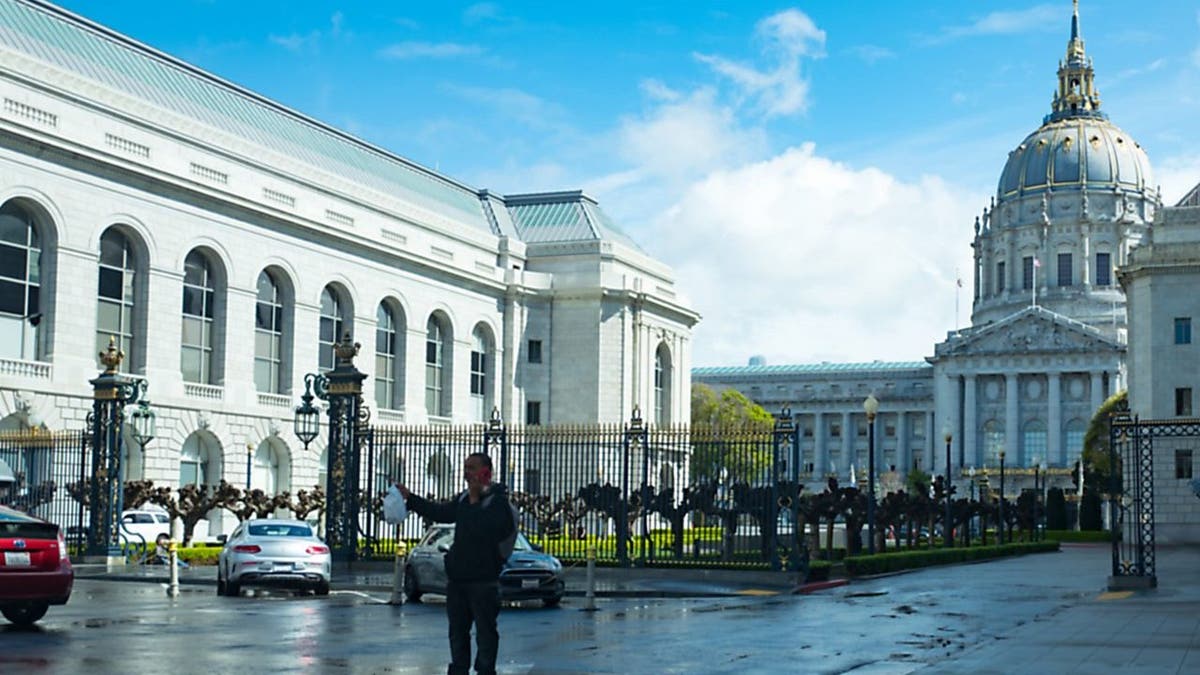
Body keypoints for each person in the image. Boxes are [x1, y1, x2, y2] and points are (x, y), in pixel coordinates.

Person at [396, 452, 514, 675]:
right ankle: (459, 669)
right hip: (459, 579)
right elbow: (440, 513)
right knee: (457, 632)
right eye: (465, 467)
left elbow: (494, 530)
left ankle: (485, 670)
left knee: (485, 632)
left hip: (483, 580)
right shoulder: (462, 499)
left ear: (485, 472)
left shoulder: (497, 503)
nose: (466, 473)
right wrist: (410, 499)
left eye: (471, 468)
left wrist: (476, 501)